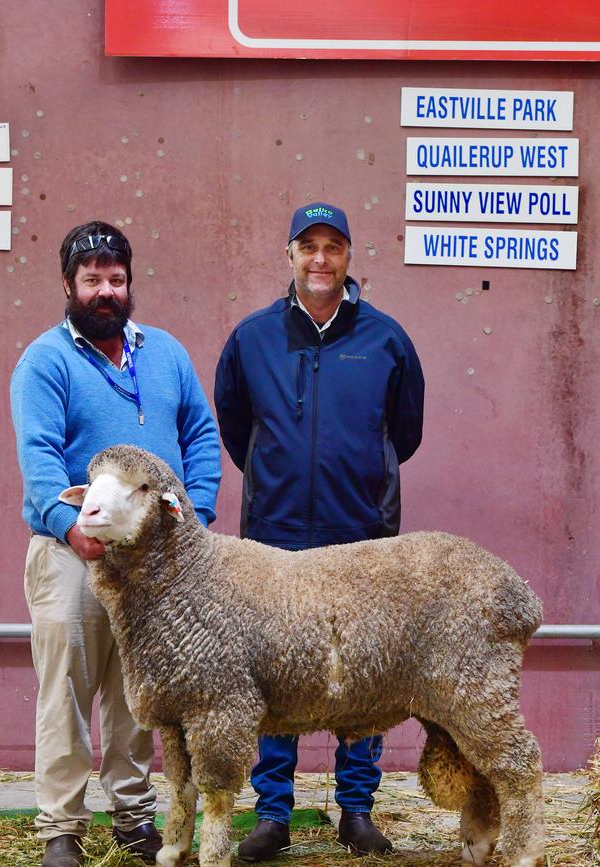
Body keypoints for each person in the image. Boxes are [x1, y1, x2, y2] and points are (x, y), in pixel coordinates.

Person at [214, 202, 424, 861]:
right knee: (272, 677)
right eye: (309, 246)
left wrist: (359, 475)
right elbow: (235, 424)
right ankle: (273, 813)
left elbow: (405, 433)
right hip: (274, 537)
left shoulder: (387, 339)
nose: (321, 259)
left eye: (333, 246)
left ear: (349, 256)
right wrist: (279, 476)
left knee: (363, 675)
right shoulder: (252, 338)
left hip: (361, 537)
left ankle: (355, 809)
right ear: (290, 254)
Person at [10, 221, 221, 867]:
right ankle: (61, 829)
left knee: (141, 697)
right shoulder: (45, 359)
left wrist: (197, 514)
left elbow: (202, 435)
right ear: (69, 284)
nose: (106, 290)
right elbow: (40, 454)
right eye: (93, 279)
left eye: (117, 279)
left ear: (130, 283)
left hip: (152, 565)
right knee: (67, 692)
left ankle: (133, 819)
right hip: (72, 551)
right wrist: (68, 523)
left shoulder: (165, 354)